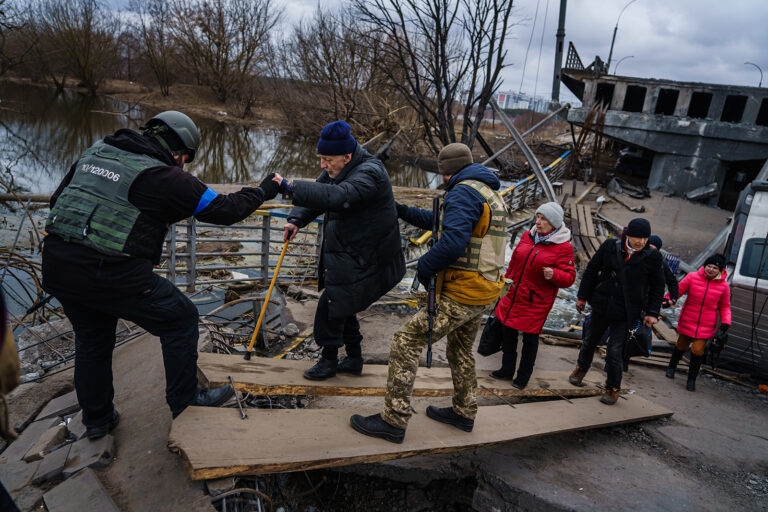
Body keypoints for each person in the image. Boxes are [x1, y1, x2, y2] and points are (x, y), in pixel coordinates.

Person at [41, 111, 281, 439]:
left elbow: (58, 201)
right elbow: (227, 209)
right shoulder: (166, 177)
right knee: (181, 318)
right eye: (185, 158)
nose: (182, 164)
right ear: (178, 152)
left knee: (92, 340)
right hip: (111, 273)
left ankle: (98, 420)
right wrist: (264, 190)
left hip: (59, 265)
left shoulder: (95, 152)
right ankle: (186, 402)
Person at [349, 142, 509, 443]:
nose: (442, 178)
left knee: (405, 341)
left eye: (442, 172)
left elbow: (453, 243)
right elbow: (443, 222)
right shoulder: (487, 191)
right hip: (484, 289)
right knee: (460, 351)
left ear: (448, 172)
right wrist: (401, 211)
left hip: (461, 291)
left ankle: (393, 421)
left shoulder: (462, 192)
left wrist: (424, 268)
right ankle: (464, 412)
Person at [274, 120, 405, 380]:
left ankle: (328, 360)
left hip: (372, 257)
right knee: (344, 303)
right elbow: (322, 191)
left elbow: (339, 196)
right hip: (352, 252)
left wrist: (290, 187)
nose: (323, 165)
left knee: (331, 303)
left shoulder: (370, 172)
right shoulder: (339, 168)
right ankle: (354, 359)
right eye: (321, 158)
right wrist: (296, 219)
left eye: (327, 159)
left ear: (347, 156)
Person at [569, 218, 665, 404]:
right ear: (628, 235)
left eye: (645, 238)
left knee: (615, 350)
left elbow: (657, 286)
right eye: (638, 237)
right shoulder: (610, 246)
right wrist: (582, 296)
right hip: (603, 303)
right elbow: (591, 270)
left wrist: (652, 313)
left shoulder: (652, 257)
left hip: (628, 311)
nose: (641, 242)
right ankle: (581, 369)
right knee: (589, 341)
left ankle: (612, 387)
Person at [493, 202, 575, 388]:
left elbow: (570, 277)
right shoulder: (528, 236)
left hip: (536, 301)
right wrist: (504, 284)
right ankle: (506, 369)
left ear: (553, 223)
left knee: (530, 339)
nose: (538, 222)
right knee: (508, 332)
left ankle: (523, 376)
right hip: (514, 293)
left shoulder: (564, 247)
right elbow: (514, 261)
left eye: (543, 219)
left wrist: (555, 274)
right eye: (537, 217)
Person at [665, 254, 731, 391]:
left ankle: (691, 380)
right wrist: (668, 299)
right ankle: (671, 367)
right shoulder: (692, 277)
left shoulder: (724, 286)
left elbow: (724, 306)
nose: (711, 269)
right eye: (709, 266)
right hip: (688, 319)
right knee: (681, 345)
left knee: (697, 350)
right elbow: (677, 291)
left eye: (715, 267)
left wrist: (726, 322)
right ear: (704, 266)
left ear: (720, 270)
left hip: (706, 325)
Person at [648, 235, 679, 307]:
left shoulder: (661, 264)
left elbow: (673, 282)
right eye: (648, 247)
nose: (650, 251)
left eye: (653, 249)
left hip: (652, 302)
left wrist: (673, 299)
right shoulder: (637, 258)